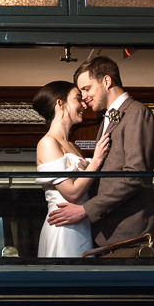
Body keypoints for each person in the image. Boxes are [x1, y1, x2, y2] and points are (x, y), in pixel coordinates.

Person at [47, 56, 154, 249]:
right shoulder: (106, 120)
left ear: (107, 81)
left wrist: (86, 209)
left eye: (86, 88)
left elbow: (135, 175)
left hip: (131, 234)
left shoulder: (137, 112)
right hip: (108, 232)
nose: (84, 96)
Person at [32, 80, 110, 258]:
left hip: (82, 223)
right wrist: (96, 161)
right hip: (63, 227)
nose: (84, 105)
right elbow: (72, 194)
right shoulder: (47, 143)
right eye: (77, 99)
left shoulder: (74, 147)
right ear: (60, 103)